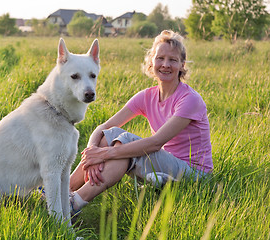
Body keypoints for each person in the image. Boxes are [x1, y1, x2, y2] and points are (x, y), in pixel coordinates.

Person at [68, 30, 213, 215]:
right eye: (160, 58)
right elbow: (103, 128)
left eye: (173, 60)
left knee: (125, 142)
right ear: (152, 62)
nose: (166, 65)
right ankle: (61, 194)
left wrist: (104, 154)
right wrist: (91, 153)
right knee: (111, 135)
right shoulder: (147, 96)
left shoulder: (190, 99)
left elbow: (156, 143)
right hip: (165, 162)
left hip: (194, 173)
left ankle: (73, 204)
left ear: (182, 65)